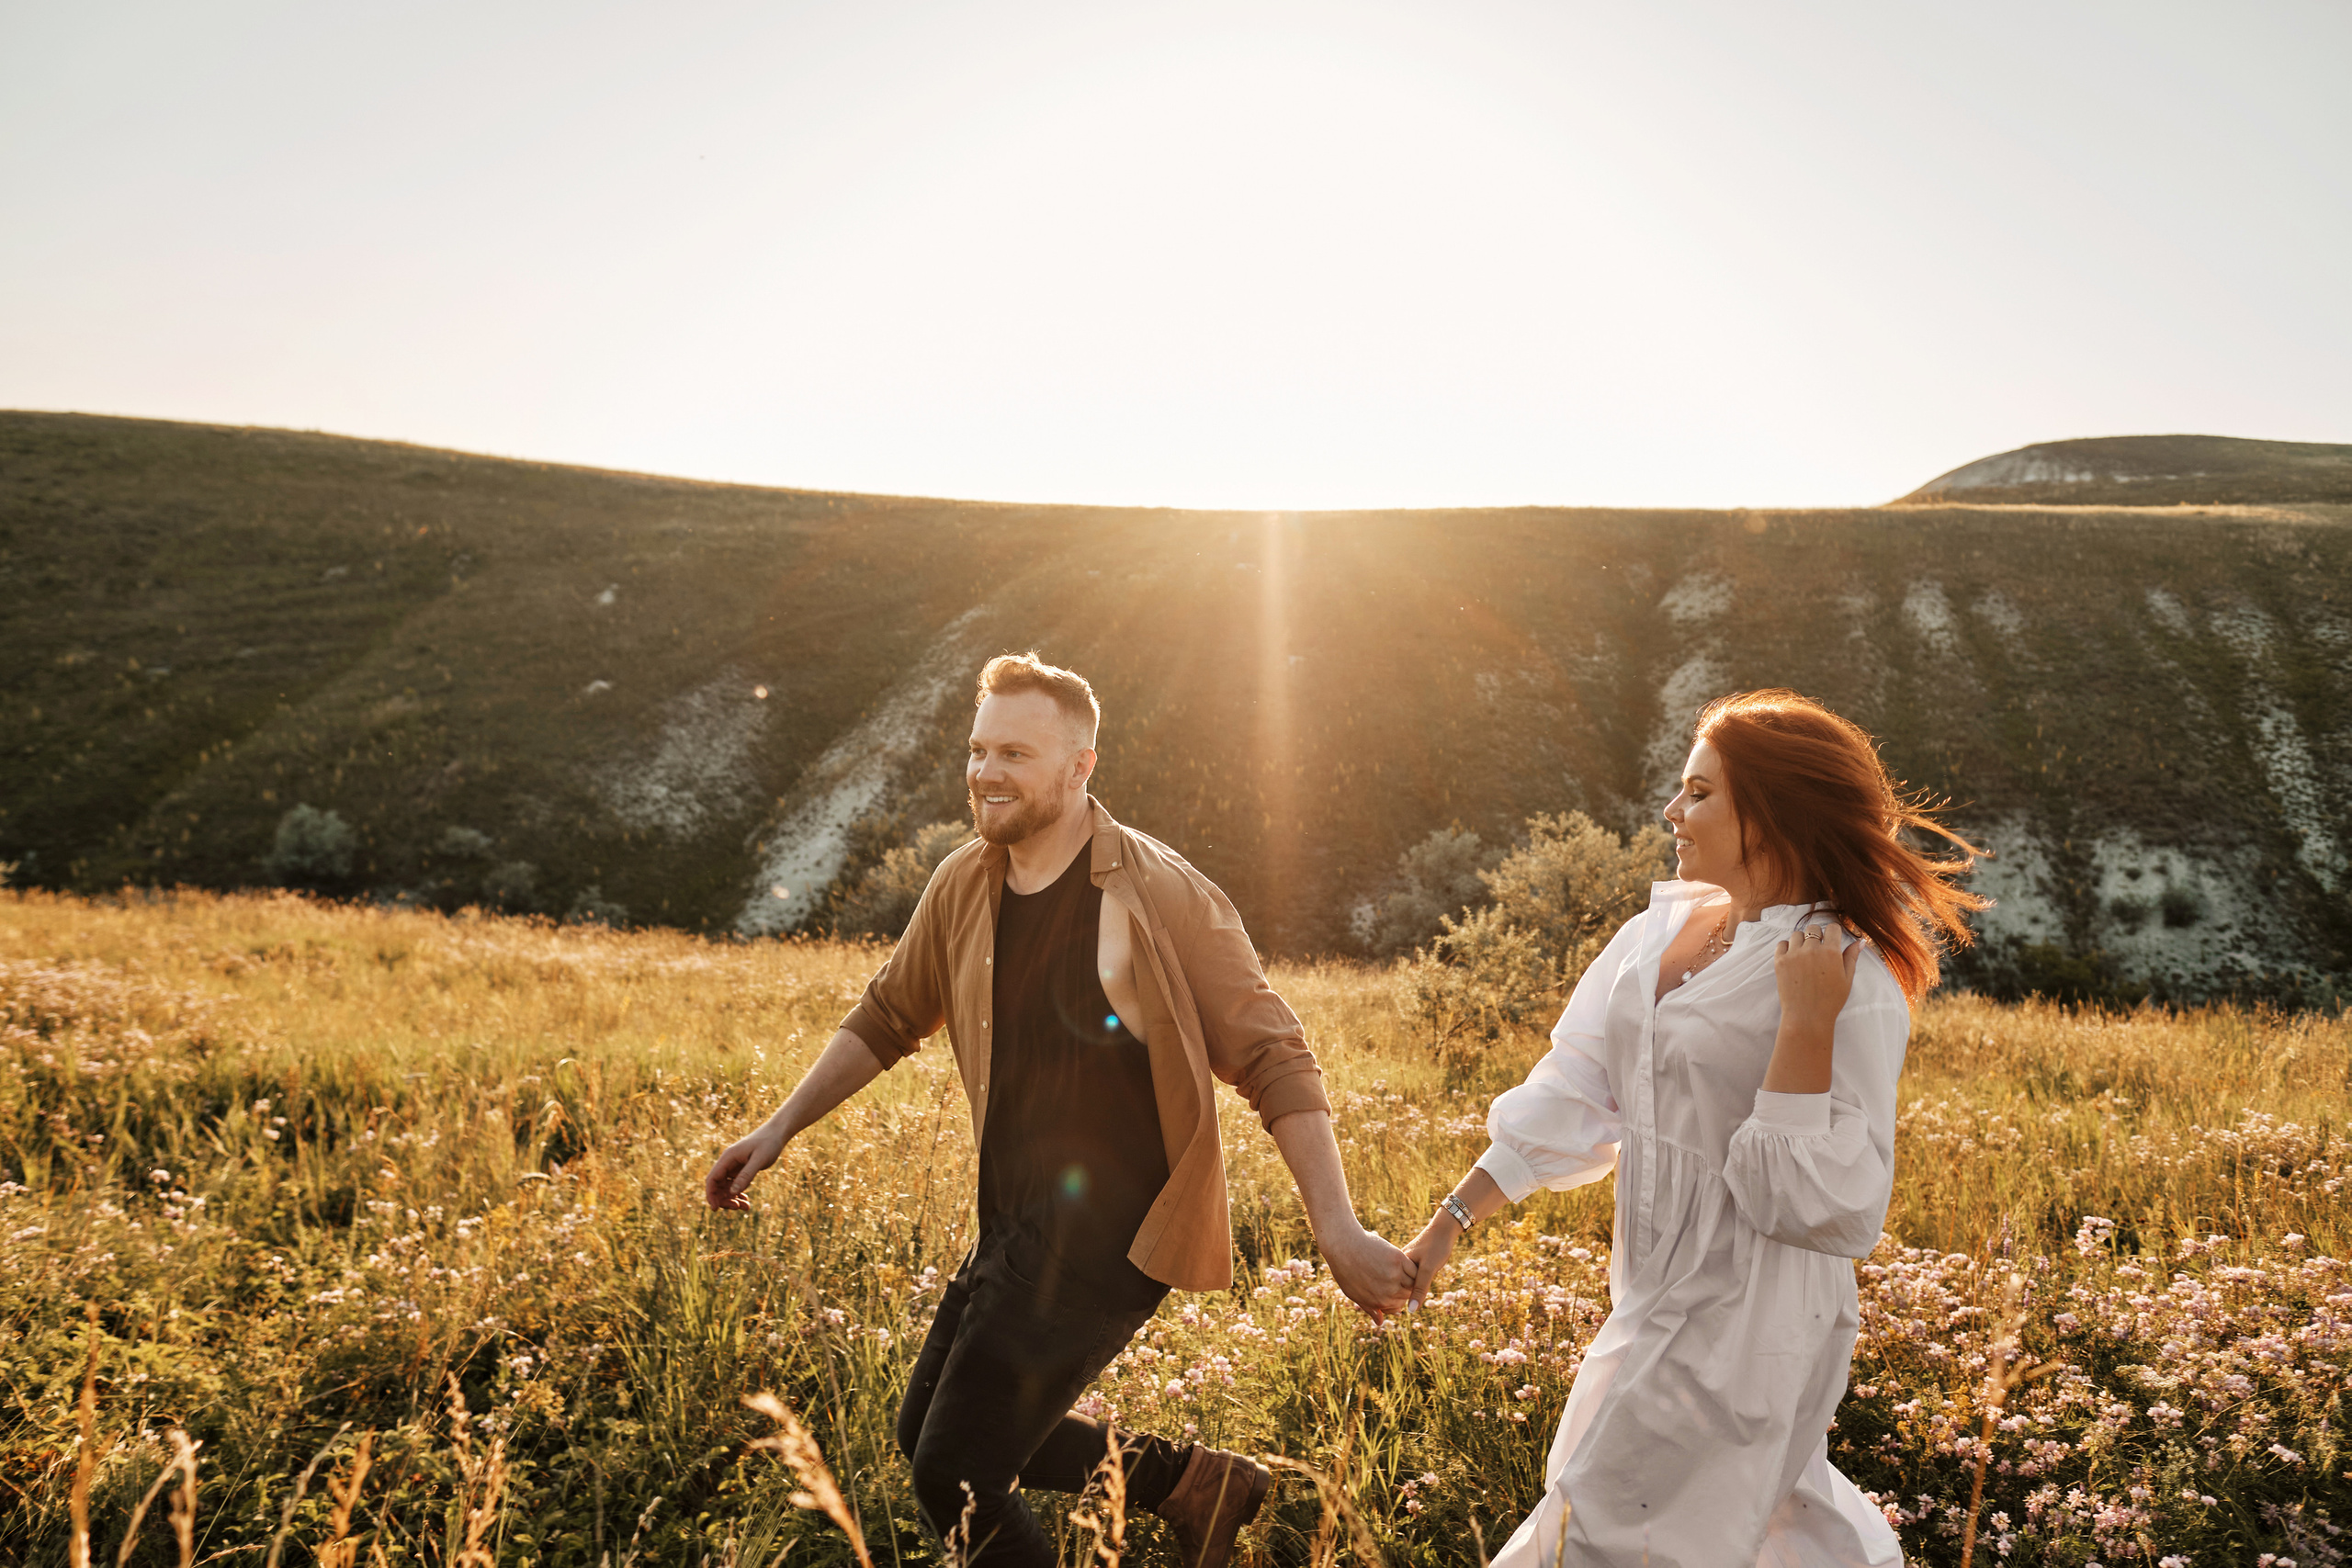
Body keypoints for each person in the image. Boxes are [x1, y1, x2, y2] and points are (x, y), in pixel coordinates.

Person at [705, 652, 1415, 1568]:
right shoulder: (967, 882)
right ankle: (1195, 1484)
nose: (986, 773)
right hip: (1013, 1218)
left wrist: (1338, 1227)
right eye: (977, 750)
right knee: (923, 1436)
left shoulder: (1160, 893)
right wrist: (776, 1128)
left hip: (1112, 1231)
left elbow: (1274, 1055)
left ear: (1080, 766)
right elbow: (887, 1016)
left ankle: (1191, 1485)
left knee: (953, 1471)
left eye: (1015, 754)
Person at [1402, 689, 1986, 1567]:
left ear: (1774, 812)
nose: (1674, 810)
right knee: (1746, 1532)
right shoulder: (1659, 929)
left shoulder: (1848, 974)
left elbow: (1830, 1202)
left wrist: (1804, 1026)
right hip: (1650, 1291)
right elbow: (1577, 1087)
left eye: (1701, 792)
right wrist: (1447, 1224)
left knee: (1591, 1537)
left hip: (1751, 1315)